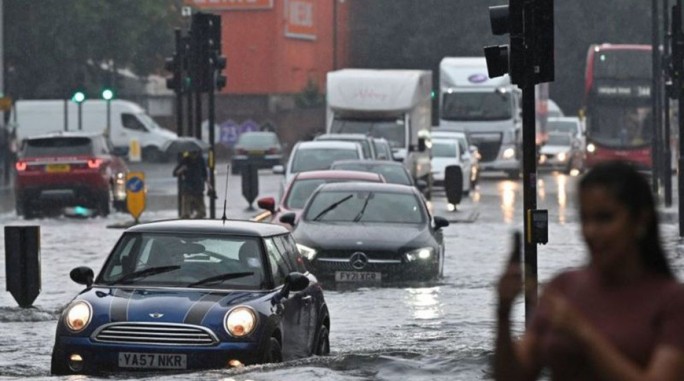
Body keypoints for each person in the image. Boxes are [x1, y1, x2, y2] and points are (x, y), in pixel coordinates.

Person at [494, 160, 684, 381]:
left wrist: (582, 333)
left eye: (605, 218)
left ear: (640, 220)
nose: (591, 231)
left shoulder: (671, 300)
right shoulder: (563, 288)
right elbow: (513, 376)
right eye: (585, 219)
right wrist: (503, 311)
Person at [173, 149, 209, 219]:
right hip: (188, 187)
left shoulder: (201, 160)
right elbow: (175, 173)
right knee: (186, 212)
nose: (193, 155)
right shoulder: (185, 160)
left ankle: (195, 219)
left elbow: (204, 174)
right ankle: (187, 218)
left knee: (201, 211)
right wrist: (181, 170)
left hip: (198, 186)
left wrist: (208, 184)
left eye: (195, 153)